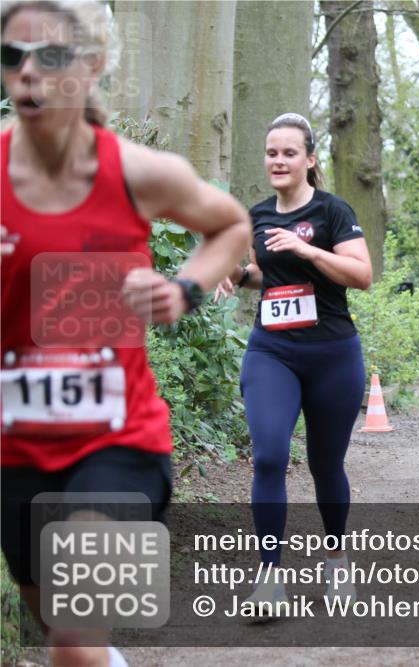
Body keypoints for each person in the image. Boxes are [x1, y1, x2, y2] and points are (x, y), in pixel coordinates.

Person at [0, 1, 252, 665]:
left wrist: (183, 289)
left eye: (50, 56)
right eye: (12, 57)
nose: (28, 73)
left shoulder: (139, 173)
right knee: (63, 632)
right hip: (17, 449)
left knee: (73, 633)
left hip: (121, 441)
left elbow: (231, 225)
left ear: (92, 64)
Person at [214, 112, 372, 613]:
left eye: (288, 153)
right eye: (271, 153)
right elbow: (266, 274)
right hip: (273, 352)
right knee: (268, 457)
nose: (278, 161)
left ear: (309, 159)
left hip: (332, 354)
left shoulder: (333, 210)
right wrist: (238, 275)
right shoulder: (258, 215)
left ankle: (336, 561)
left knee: (326, 465)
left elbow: (362, 275)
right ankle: (269, 580)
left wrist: (308, 250)